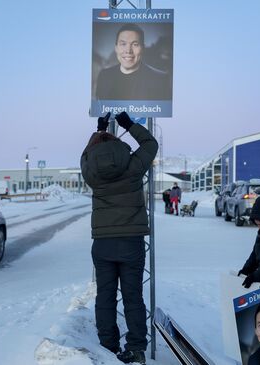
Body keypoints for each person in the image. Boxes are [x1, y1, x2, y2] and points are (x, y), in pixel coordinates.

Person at [80, 111, 158, 365]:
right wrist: (129, 124)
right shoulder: (132, 165)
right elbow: (150, 144)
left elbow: (85, 155)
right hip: (131, 241)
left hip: (102, 243)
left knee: (105, 295)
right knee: (133, 295)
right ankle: (135, 348)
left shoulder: (92, 172)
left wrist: (98, 130)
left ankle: (107, 346)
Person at [95, 23, 171, 100]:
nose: (128, 51)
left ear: (143, 48)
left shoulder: (160, 80)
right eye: (123, 44)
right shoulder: (104, 75)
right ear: (116, 48)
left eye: (135, 44)